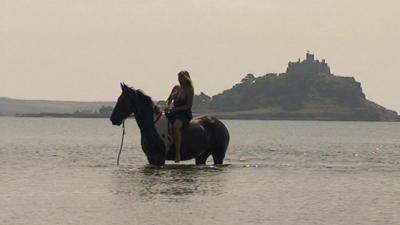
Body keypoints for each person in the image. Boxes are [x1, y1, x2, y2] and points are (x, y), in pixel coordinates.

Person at [165, 70, 194, 163]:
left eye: (181, 77)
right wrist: (167, 107)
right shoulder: (176, 88)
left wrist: (175, 109)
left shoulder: (189, 89)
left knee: (176, 127)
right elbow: (169, 100)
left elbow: (188, 105)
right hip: (173, 112)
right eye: (178, 77)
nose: (179, 79)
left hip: (184, 113)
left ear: (186, 78)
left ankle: (177, 153)